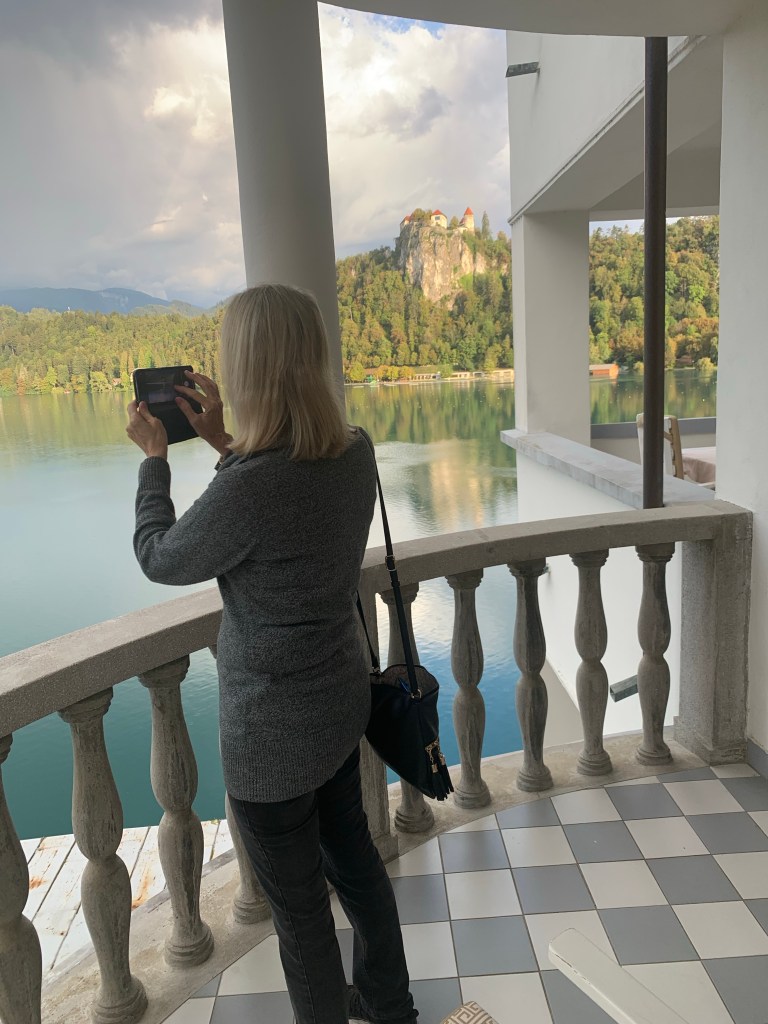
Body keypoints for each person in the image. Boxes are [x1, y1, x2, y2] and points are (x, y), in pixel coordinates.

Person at [126, 284, 418, 1024]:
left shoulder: (250, 489)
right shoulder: (356, 451)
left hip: (270, 736)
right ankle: (390, 1005)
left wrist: (156, 460)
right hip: (337, 703)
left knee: (300, 918)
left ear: (245, 369)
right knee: (356, 864)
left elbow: (160, 556)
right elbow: (289, 493)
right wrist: (225, 442)